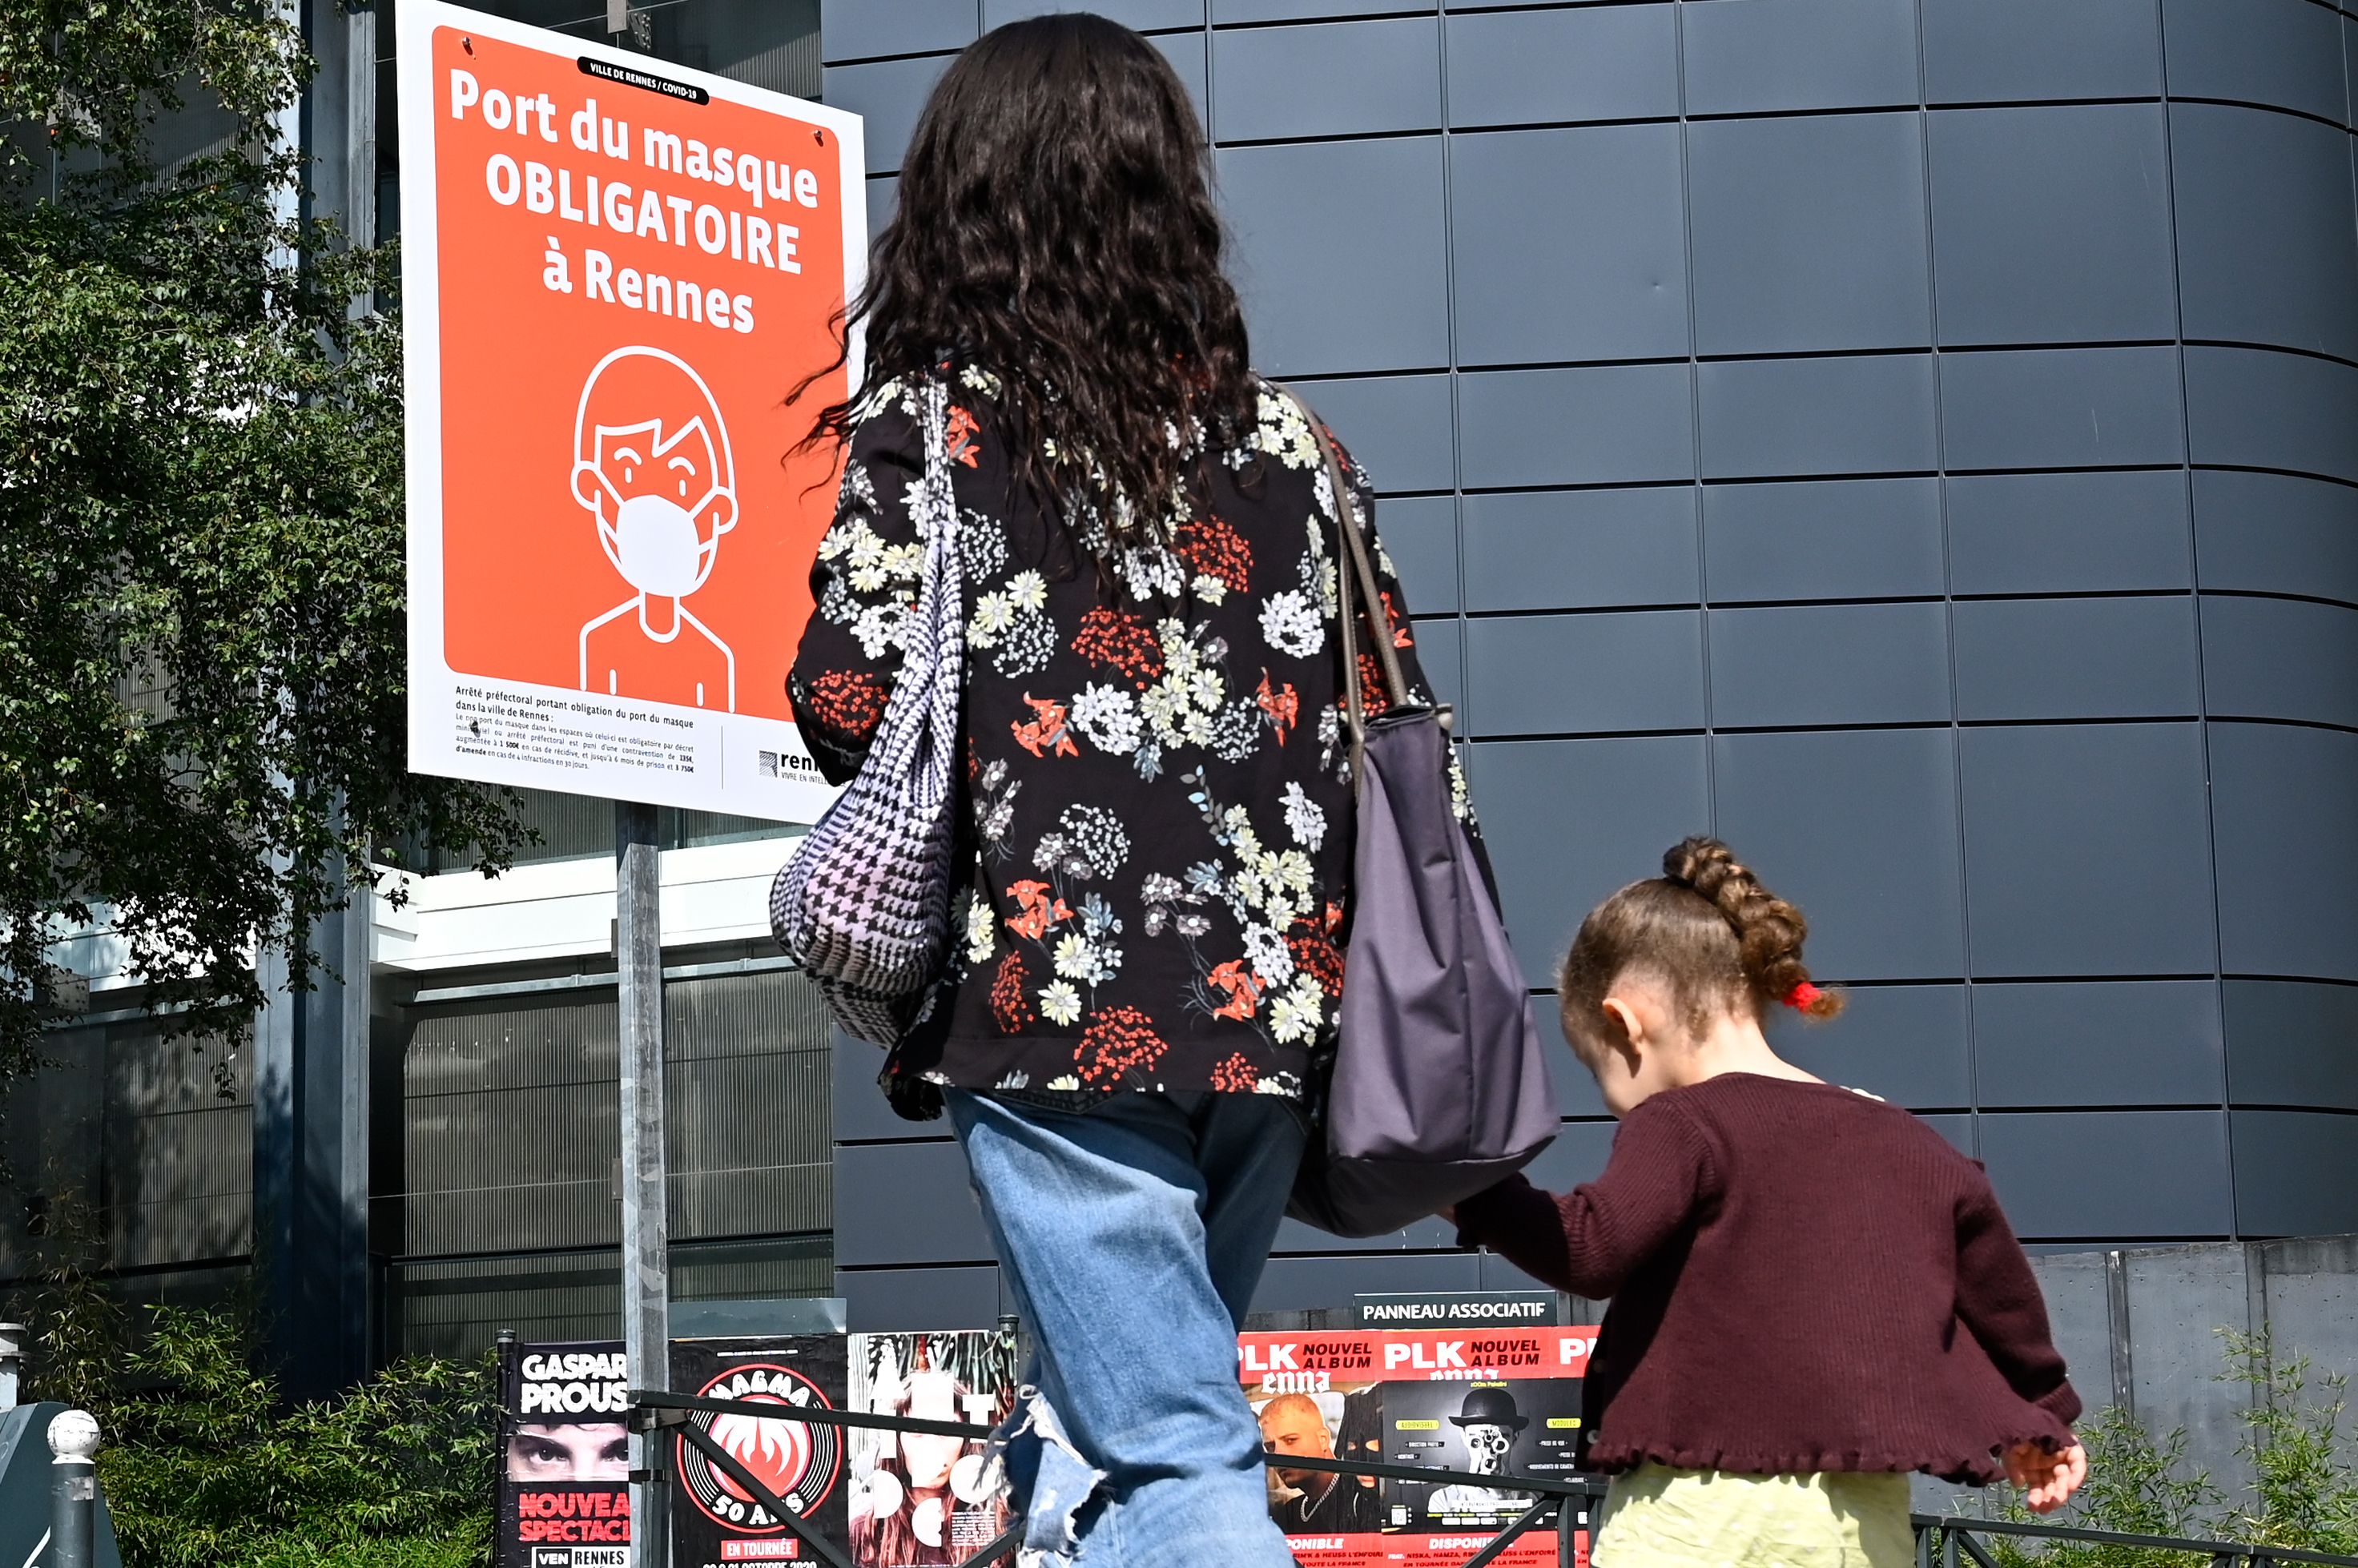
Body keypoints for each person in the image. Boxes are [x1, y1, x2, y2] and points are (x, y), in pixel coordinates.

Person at [785, 15, 1463, 1567]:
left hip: (1056, 1017)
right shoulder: (1300, 449)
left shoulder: (940, 427)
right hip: (1271, 1038)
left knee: (1168, 1447)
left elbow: (842, 694)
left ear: (964, 201)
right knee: (1098, 1432)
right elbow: (1377, 720)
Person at [1448, 837, 2088, 1567]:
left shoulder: (1684, 1121)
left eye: (1600, 1074)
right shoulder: (1905, 1140)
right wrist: (2048, 1420)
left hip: (1696, 1520)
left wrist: (1460, 1188)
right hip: (1860, 1528)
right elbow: (2001, 1304)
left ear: (1625, 1024)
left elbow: (1593, 1248)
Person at [1257, 1393, 1381, 1534]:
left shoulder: (1359, 1499)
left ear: (1323, 1439)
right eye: (1270, 1447)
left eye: (1291, 1440)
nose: (1278, 1454)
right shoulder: (1287, 1513)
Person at [1423, 1386, 1535, 1521]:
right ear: (1464, 1438)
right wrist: (1474, 1488)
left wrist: (1500, 1495)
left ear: (1514, 1438)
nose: (1488, 1450)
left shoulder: (1532, 1499)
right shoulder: (1444, 1500)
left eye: (1500, 1441)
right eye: (1476, 1440)